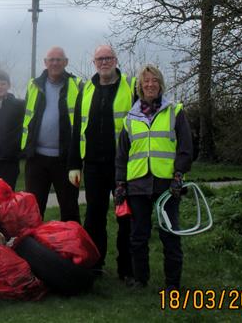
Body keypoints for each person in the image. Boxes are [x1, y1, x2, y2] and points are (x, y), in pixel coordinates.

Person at [115, 64, 193, 290]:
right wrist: (120, 183)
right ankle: (141, 279)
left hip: (167, 185)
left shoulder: (174, 111)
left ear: (160, 84)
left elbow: (186, 148)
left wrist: (179, 175)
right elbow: (122, 154)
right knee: (138, 235)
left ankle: (172, 284)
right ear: (140, 86)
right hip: (137, 184)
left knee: (170, 234)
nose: (150, 85)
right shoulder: (131, 117)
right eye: (146, 81)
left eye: (154, 81)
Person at [68, 45, 136, 279]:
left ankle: (126, 269)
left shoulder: (131, 87)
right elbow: (77, 128)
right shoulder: (86, 89)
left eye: (108, 58)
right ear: (93, 62)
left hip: (123, 165)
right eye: (99, 59)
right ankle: (95, 264)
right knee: (94, 217)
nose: (104, 62)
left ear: (116, 60)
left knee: (125, 216)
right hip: (94, 165)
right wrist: (74, 164)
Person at [21, 46, 82, 222]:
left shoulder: (77, 85)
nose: (55, 63)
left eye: (59, 59)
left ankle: (70, 246)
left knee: (69, 209)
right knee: (33, 209)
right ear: (45, 63)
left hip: (65, 160)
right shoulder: (33, 85)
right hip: (36, 159)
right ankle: (33, 246)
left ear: (66, 62)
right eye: (51, 59)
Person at [0, 69, 24, 189]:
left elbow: (25, 127)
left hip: (11, 159)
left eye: (3, 84)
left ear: (9, 85)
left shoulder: (19, 105)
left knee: (8, 191)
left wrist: (19, 148)